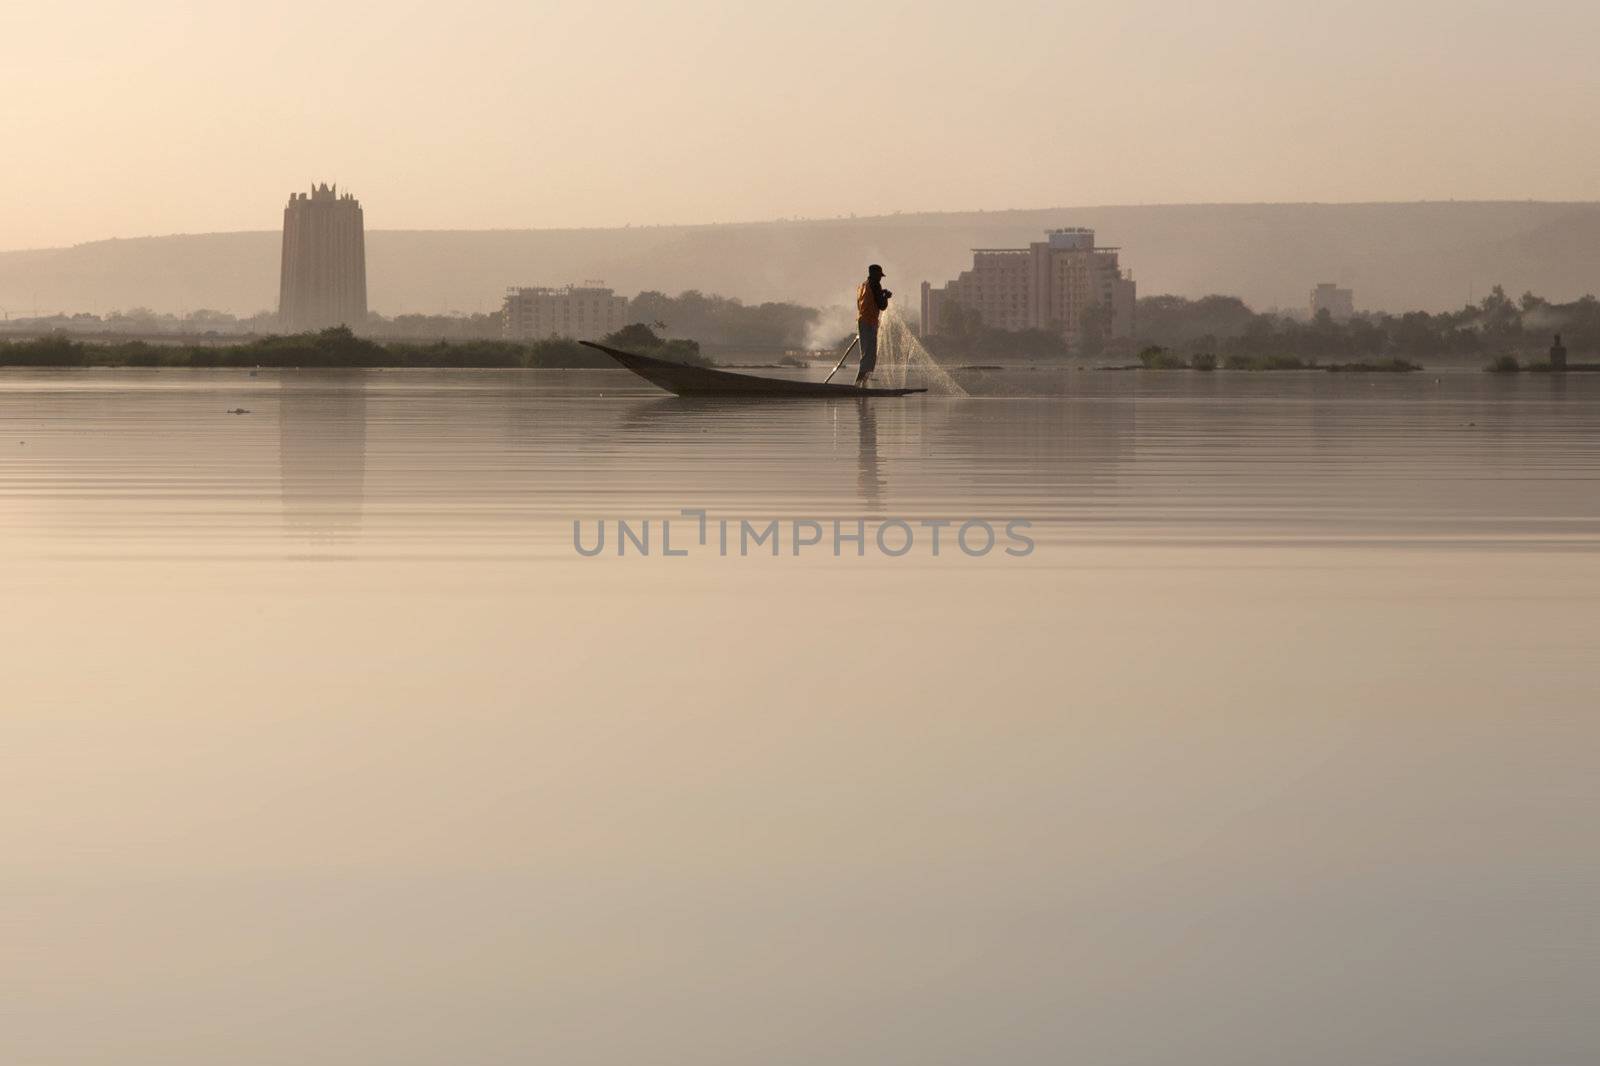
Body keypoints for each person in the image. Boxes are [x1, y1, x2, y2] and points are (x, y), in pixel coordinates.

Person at [855, 264, 892, 386]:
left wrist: (882, 294)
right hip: (869, 322)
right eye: (879, 276)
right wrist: (885, 297)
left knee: (866, 353)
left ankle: (862, 385)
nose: (880, 278)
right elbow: (882, 305)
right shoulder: (875, 285)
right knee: (869, 355)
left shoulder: (863, 285)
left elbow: (862, 304)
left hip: (862, 321)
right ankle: (858, 385)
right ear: (874, 275)